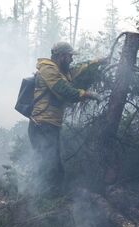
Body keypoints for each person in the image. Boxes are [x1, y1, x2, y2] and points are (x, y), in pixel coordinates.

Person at [28, 41, 105, 195]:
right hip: (42, 125)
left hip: (49, 125)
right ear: (61, 56)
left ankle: (46, 200)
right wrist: (88, 94)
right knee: (51, 168)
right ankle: (46, 203)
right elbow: (64, 90)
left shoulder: (61, 70)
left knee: (53, 166)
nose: (71, 59)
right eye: (69, 56)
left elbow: (79, 70)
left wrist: (98, 61)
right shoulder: (48, 70)